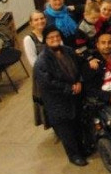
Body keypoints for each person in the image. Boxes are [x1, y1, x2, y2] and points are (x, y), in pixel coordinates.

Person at [34, 25, 86, 166]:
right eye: (51, 37)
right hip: (58, 102)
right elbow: (48, 84)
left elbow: (80, 66)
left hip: (75, 96)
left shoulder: (68, 50)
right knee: (66, 130)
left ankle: (82, 149)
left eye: (57, 36)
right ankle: (74, 156)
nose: (55, 39)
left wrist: (79, 81)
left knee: (77, 125)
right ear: (45, 40)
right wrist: (69, 88)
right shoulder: (42, 61)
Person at [24, 10, 49, 128]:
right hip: (43, 75)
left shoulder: (50, 33)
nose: (40, 21)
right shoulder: (29, 39)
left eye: (42, 18)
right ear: (31, 23)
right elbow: (33, 62)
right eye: (36, 20)